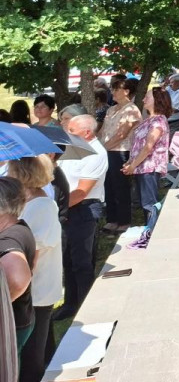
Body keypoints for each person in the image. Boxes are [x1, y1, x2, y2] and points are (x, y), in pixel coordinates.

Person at [8, 157, 60, 382]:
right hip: (32, 289)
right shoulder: (30, 202)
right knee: (38, 349)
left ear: (21, 173)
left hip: (36, 290)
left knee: (31, 356)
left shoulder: (41, 206)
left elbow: (32, 253)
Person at [54, 114, 108, 320]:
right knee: (67, 258)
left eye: (72, 130)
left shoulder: (96, 154)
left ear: (87, 132)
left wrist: (56, 206)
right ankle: (70, 303)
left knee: (81, 261)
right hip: (67, 208)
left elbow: (82, 191)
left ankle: (86, 307)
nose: (68, 133)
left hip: (83, 210)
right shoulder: (73, 149)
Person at [122, 87, 171, 229]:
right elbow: (138, 145)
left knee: (149, 203)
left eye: (147, 97)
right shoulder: (149, 120)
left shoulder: (158, 122)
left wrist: (133, 165)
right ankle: (149, 230)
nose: (143, 100)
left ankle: (152, 231)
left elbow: (148, 147)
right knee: (145, 202)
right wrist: (130, 162)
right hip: (141, 166)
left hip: (149, 167)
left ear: (157, 100)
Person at [98, 78, 140, 235]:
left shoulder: (131, 110)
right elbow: (103, 131)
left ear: (126, 91)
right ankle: (112, 219)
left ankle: (124, 221)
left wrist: (103, 148)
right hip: (107, 151)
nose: (112, 92)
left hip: (121, 151)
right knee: (108, 186)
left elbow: (122, 134)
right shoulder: (111, 109)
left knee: (120, 187)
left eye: (116, 89)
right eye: (112, 89)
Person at [0, 179, 35, 354]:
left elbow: (18, 278)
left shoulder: (8, 239)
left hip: (11, 323)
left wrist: (3, 305)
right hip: (20, 317)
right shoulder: (18, 226)